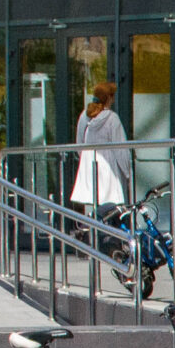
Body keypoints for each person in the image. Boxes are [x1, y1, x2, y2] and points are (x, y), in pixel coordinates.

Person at [71, 81, 129, 236]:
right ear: (109, 98)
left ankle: (89, 236)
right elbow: (120, 148)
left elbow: (79, 142)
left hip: (88, 165)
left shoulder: (85, 116)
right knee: (111, 205)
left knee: (92, 204)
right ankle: (110, 238)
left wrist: (84, 158)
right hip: (107, 166)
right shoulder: (112, 118)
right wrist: (127, 172)